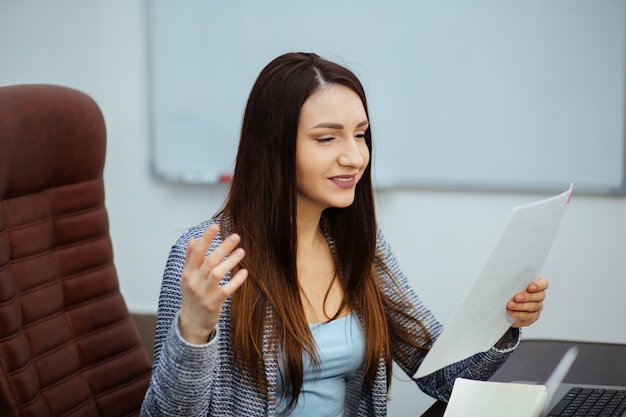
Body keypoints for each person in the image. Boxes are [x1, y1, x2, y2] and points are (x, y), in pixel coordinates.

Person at [140, 52, 549, 417]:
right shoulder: (208, 258)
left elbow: (442, 377)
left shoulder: (359, 248)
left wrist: (503, 319)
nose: (354, 157)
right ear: (274, 147)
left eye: (360, 134)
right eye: (326, 138)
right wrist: (193, 332)